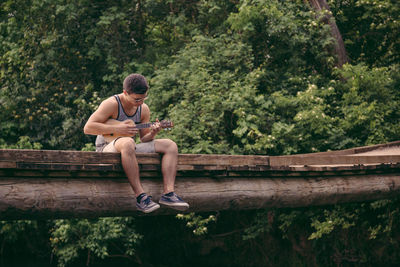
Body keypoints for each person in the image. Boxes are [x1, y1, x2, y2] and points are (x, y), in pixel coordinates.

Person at [84, 73, 189, 213]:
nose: (140, 102)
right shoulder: (111, 104)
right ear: (125, 93)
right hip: (106, 148)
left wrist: (153, 132)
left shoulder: (143, 109)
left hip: (129, 148)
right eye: (137, 99)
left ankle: (168, 194)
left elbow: (144, 139)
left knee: (170, 145)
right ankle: (141, 197)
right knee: (127, 142)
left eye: (144, 98)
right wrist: (116, 128)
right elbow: (88, 128)